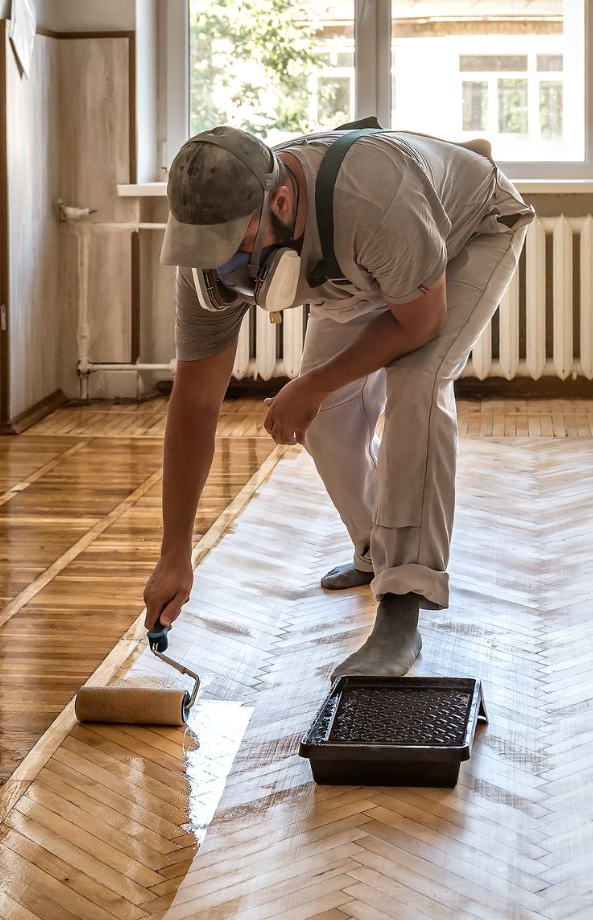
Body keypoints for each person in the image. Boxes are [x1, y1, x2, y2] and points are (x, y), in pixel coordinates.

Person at [142, 122, 532, 678]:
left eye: (237, 244)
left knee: (417, 386)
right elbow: (195, 406)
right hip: (362, 262)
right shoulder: (206, 258)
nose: (223, 266)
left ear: (280, 200)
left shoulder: (372, 198)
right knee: (324, 418)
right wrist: (174, 551)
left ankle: (403, 606)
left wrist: (313, 382)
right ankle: (377, 551)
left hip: (466, 231)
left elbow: (421, 323)